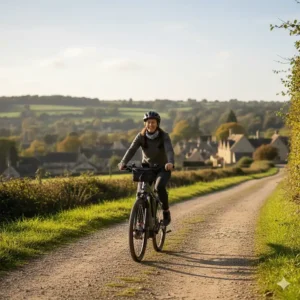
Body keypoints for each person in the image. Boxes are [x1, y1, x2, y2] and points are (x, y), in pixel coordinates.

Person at [118, 111, 175, 226]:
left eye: (153, 122)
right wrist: (123, 162)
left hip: (162, 168)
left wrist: (170, 162)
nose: (151, 125)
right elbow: (131, 149)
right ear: (145, 124)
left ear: (157, 123)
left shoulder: (164, 136)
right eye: (148, 122)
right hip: (147, 168)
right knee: (141, 193)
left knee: (159, 187)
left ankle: (166, 212)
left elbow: (169, 150)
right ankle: (140, 222)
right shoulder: (141, 137)